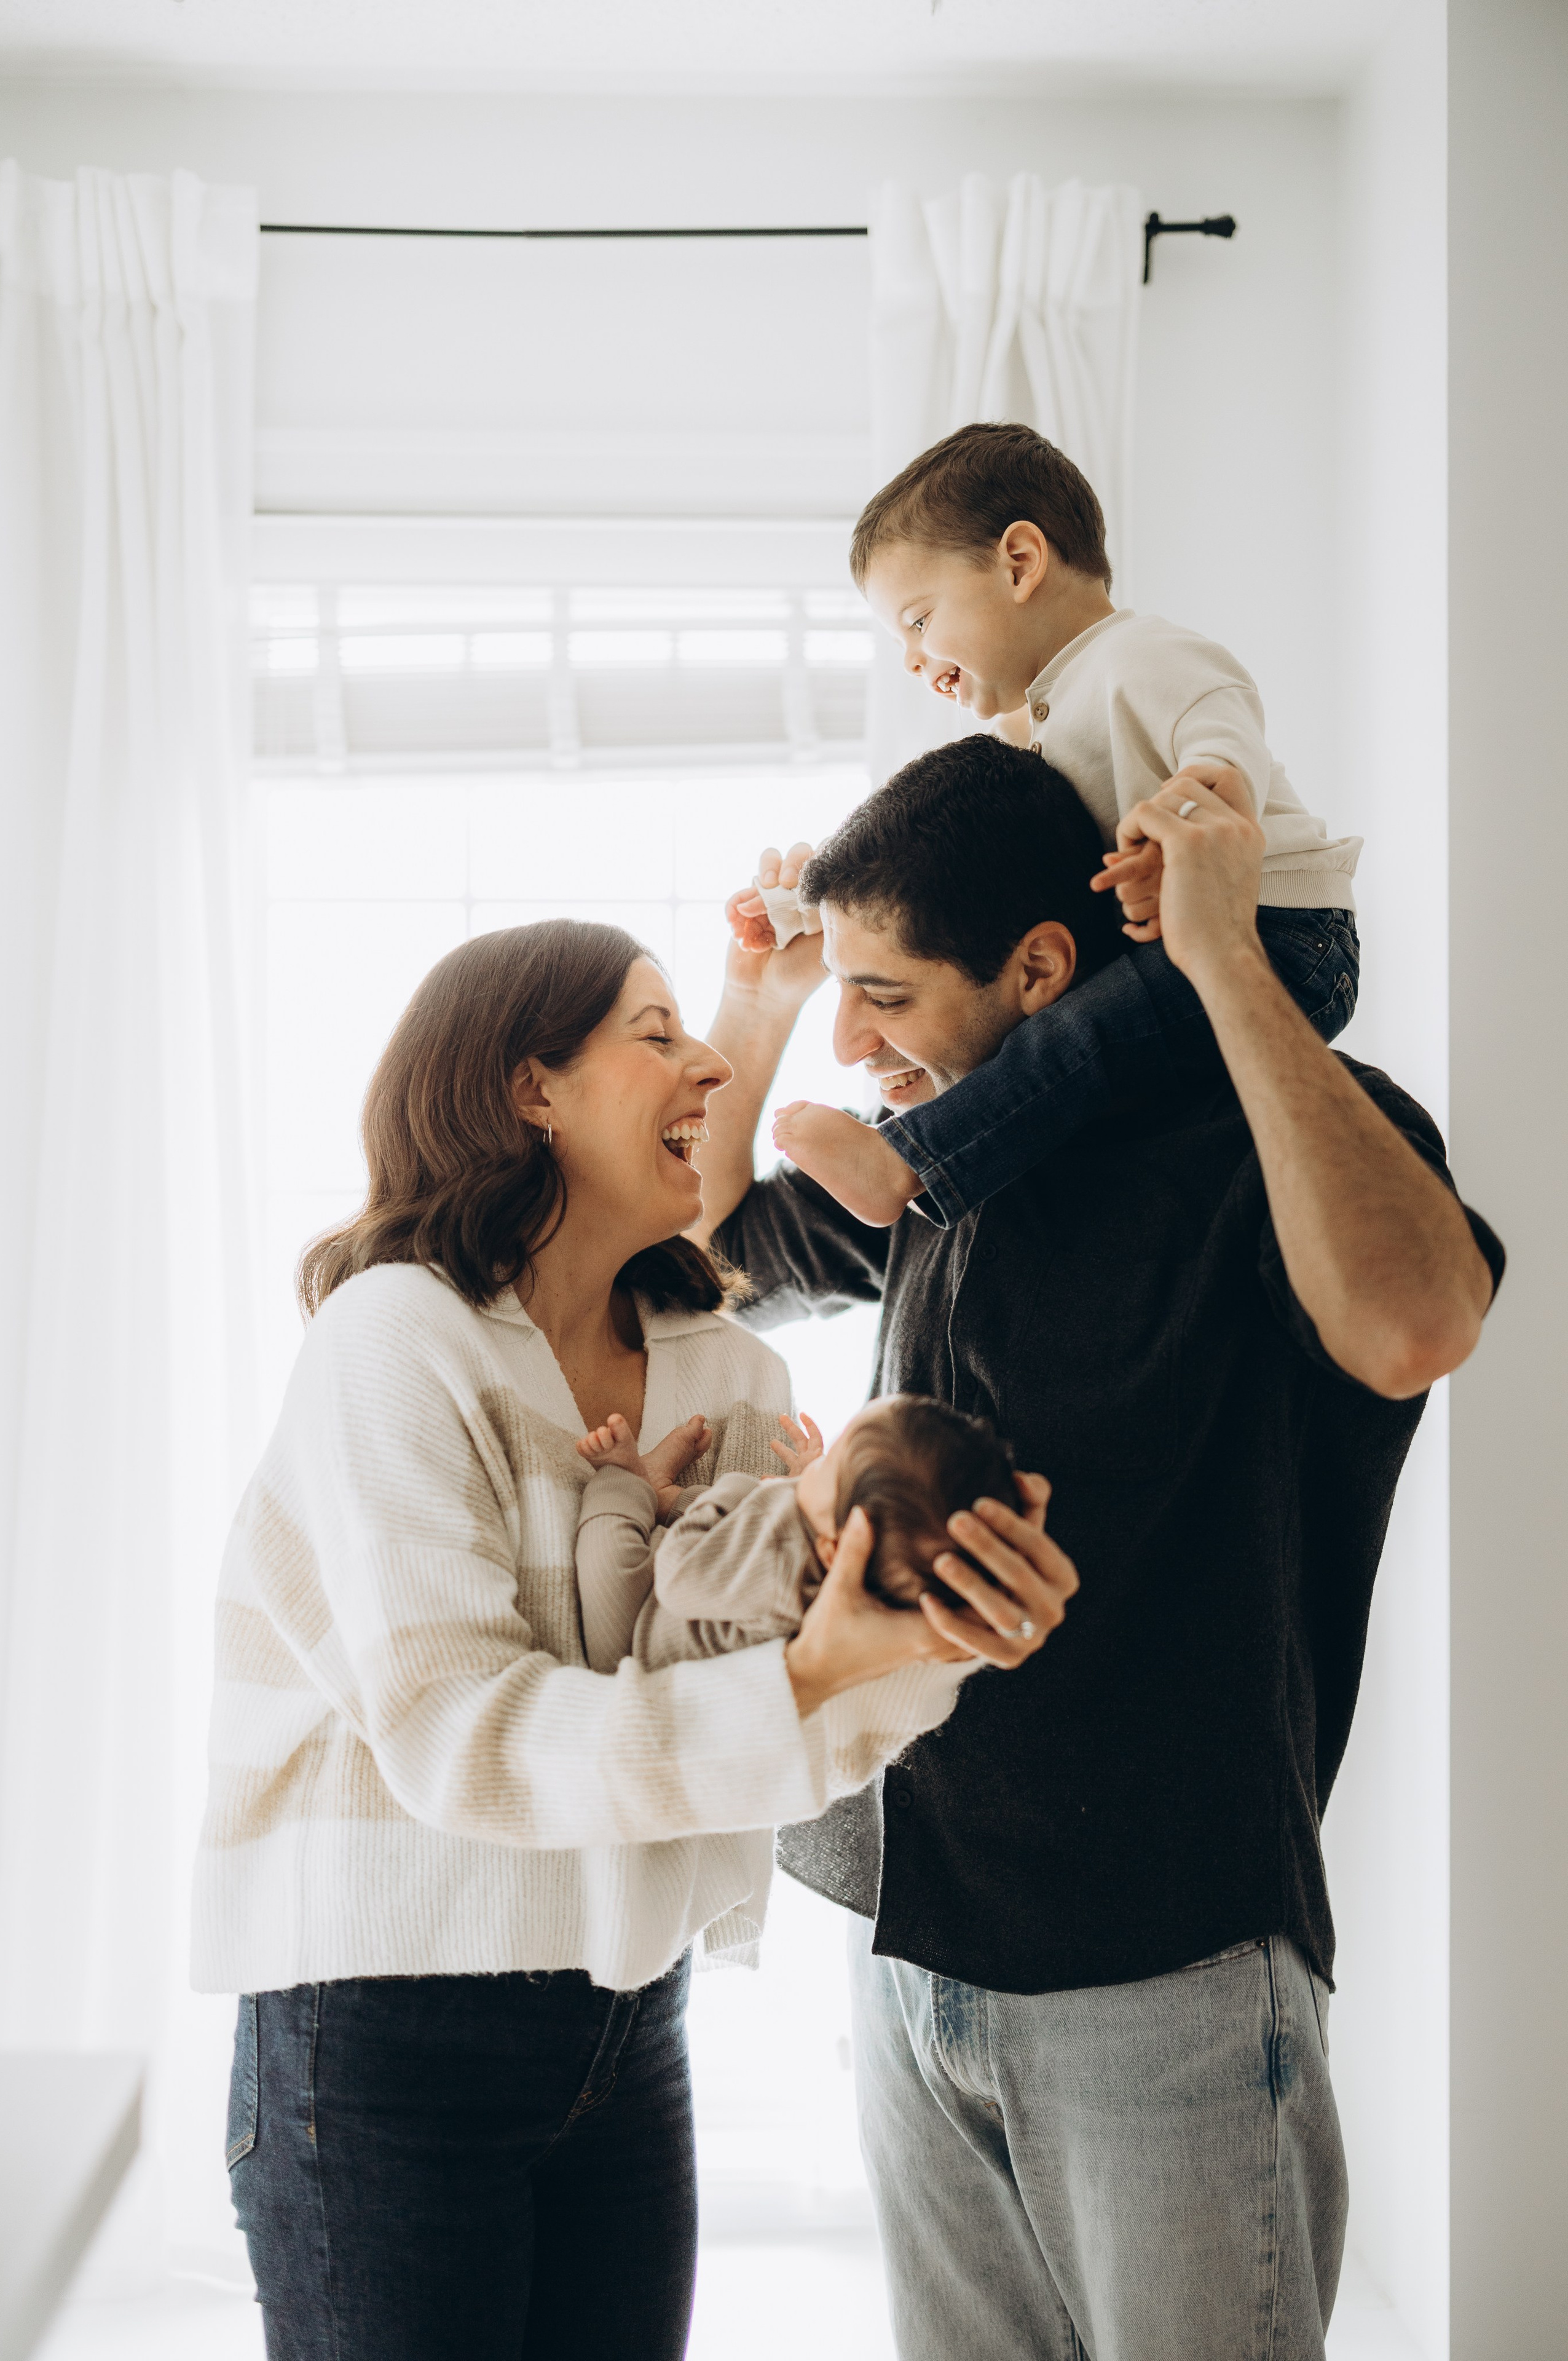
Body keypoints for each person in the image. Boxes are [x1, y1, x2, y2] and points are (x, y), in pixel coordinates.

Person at [693, 740, 1503, 2361]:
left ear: (1043, 970)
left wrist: (1222, 961)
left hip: (1170, 1968)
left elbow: (1419, 1323)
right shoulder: (941, 1163)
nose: (857, 1045)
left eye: (890, 997)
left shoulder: (1254, 1143)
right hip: (917, 1940)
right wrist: (763, 997)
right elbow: (710, 1260)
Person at [191, 918, 1078, 2361]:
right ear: (529, 1087)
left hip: (623, 2022)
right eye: (656, 1030)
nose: (714, 1060)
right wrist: (809, 1676)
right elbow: (462, 1737)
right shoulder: (392, 1341)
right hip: (379, 2033)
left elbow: (762, 1728)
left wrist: (938, 1636)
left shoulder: (731, 1372)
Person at [768, 420, 1365, 1231]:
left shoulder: (1145, 657)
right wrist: (807, 905)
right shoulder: (1034, 719)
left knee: (1077, 1040)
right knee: (1069, 1035)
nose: (911, 659)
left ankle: (909, 1161)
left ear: (1019, 562)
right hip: (1197, 940)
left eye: (916, 620)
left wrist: (1182, 824)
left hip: (1284, 937)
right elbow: (931, 863)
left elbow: (1228, 755)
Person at [572, 1395, 1029, 1672]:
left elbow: (680, 1572)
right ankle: (665, 1494)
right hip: (707, 1596)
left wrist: (736, 1491)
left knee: (607, 1563)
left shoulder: (782, 1557)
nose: (819, 1464)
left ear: (835, 1546)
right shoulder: (862, 1569)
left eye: (830, 1467)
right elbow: (730, 1546)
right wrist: (812, 1481)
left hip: (636, 1642)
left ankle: (632, 1480)